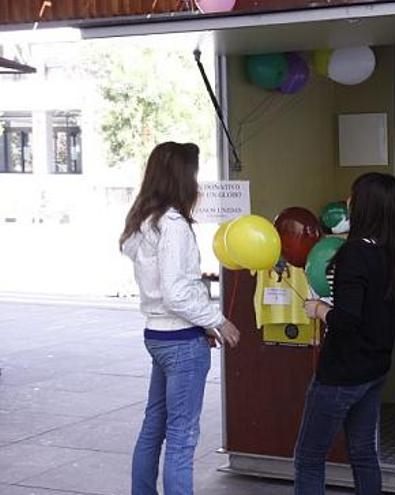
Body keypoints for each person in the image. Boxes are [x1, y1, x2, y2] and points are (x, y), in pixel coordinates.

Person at [121, 142, 241, 495]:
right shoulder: (173, 224)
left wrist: (196, 295)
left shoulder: (144, 221)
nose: (198, 183)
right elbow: (175, 292)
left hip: (157, 335)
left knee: (154, 425)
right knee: (181, 437)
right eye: (194, 173)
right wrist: (217, 319)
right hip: (181, 343)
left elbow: (166, 283)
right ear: (182, 178)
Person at [297, 172, 395, 495]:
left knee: (308, 458)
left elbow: (346, 320)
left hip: (342, 374)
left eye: (352, 197)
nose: (347, 202)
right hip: (374, 370)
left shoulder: (354, 253)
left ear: (364, 207)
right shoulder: (392, 253)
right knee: (363, 453)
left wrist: (317, 309)